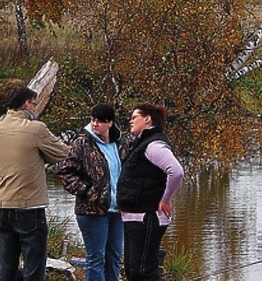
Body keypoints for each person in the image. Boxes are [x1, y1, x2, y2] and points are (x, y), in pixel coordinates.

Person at [0, 86, 69, 281]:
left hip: (3, 204)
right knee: (34, 266)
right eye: (34, 103)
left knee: (7, 266)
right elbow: (62, 153)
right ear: (26, 103)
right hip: (29, 206)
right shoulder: (35, 128)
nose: (35, 107)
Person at [57, 103, 128, 281]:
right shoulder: (82, 143)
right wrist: (88, 191)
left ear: (110, 123)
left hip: (117, 210)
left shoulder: (120, 143)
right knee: (96, 258)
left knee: (114, 258)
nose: (95, 124)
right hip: (91, 211)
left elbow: (127, 170)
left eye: (100, 121)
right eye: (93, 120)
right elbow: (64, 171)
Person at [116, 103, 184, 281]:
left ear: (147, 119)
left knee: (143, 271)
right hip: (134, 216)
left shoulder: (153, 145)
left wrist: (166, 199)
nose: (130, 121)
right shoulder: (140, 144)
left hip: (147, 217)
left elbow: (176, 171)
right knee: (132, 271)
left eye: (134, 117)